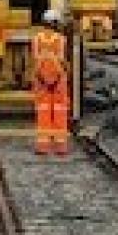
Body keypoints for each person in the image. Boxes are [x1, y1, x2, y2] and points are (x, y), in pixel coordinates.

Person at [31, 10, 72, 156]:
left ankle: (43, 146)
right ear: (55, 23)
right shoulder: (61, 39)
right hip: (58, 80)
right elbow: (62, 60)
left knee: (43, 112)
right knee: (60, 112)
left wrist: (42, 78)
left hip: (41, 80)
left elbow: (35, 59)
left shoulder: (37, 39)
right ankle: (60, 146)